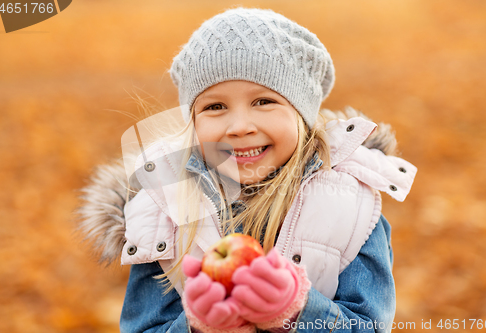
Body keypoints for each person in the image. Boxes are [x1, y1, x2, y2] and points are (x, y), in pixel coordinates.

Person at [78, 7, 417, 333]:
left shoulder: (349, 207)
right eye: (215, 106)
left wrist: (295, 310)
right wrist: (201, 326)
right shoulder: (164, 210)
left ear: (302, 113)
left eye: (263, 101)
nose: (239, 126)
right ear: (193, 122)